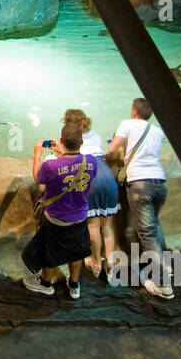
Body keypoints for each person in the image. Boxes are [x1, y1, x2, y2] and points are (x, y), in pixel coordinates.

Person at [22, 123, 97, 300]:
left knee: (50, 250)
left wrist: (37, 154)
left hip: (56, 219)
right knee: (77, 251)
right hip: (80, 216)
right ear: (82, 141)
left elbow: (37, 178)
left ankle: (45, 283)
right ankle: (74, 285)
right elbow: (76, 167)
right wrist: (64, 154)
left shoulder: (51, 166)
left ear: (62, 141)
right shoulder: (91, 161)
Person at [106, 98, 172, 298]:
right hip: (160, 182)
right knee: (154, 225)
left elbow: (111, 149)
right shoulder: (158, 130)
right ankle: (165, 265)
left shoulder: (127, 124)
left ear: (134, 111)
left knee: (147, 233)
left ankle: (162, 283)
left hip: (140, 183)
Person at [63, 108, 119, 278]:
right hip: (106, 174)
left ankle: (96, 261)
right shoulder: (94, 135)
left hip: (90, 175)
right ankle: (110, 263)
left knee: (93, 225)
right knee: (107, 225)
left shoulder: (72, 138)